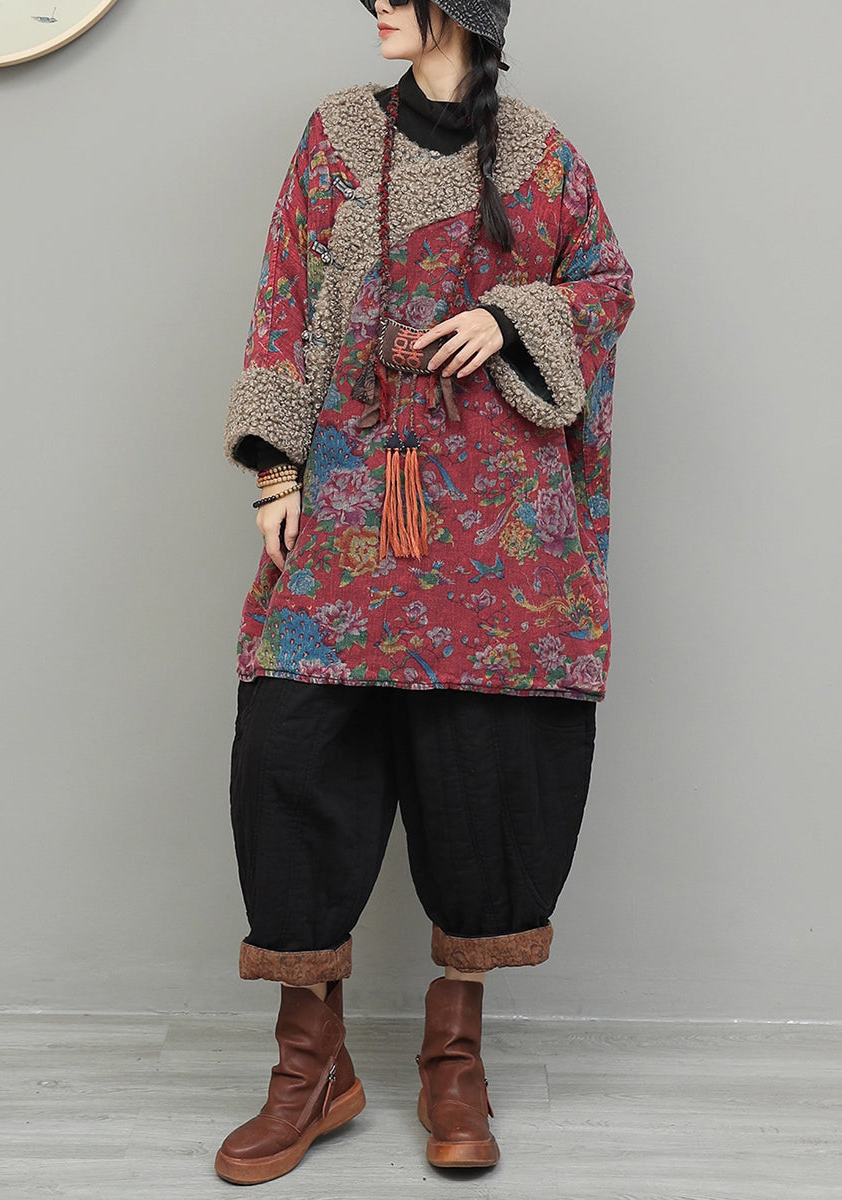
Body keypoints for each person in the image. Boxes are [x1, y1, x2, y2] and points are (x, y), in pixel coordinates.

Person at [215, 0, 635, 1185]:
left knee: (482, 764)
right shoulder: (338, 137)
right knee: (292, 752)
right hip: (351, 488)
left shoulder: (543, 157)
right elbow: (285, 297)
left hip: (496, 516)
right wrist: (278, 470)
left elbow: (607, 290)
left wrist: (510, 315)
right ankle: (310, 1067)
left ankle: (455, 1058)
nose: (376, 7)